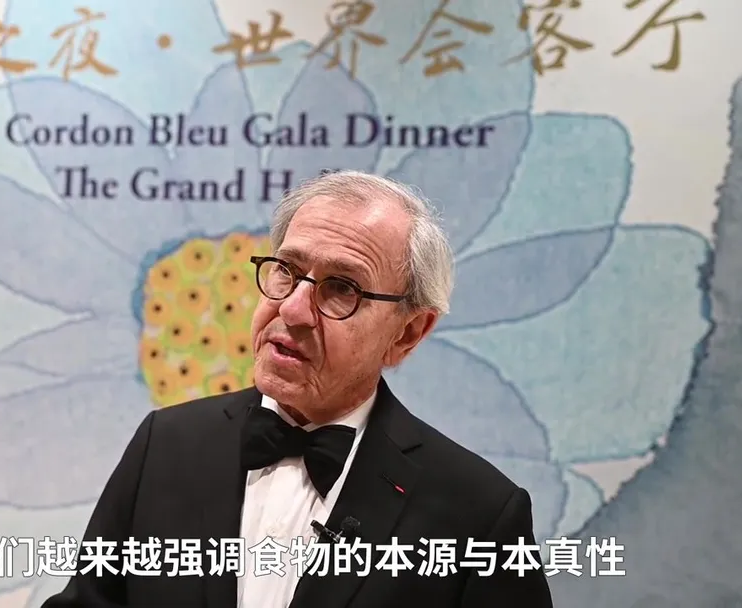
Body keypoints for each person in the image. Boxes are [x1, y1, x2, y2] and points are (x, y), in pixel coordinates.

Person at [42, 170, 554, 607]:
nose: (291, 310)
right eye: (286, 271)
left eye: (341, 288)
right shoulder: (167, 444)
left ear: (408, 333)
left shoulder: (480, 513)